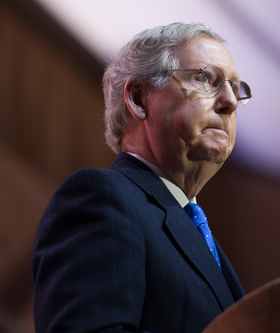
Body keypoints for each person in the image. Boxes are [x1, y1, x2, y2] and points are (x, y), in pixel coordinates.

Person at [32, 22, 251, 333]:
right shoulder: (101, 198)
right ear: (138, 97)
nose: (229, 102)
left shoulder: (202, 236)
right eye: (205, 78)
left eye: (235, 87)